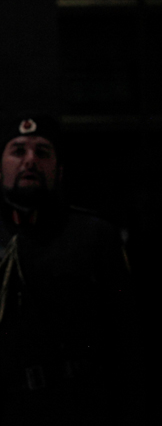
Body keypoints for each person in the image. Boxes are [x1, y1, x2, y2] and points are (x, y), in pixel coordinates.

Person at [0, 112, 131, 425]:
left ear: (59, 169)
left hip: (76, 406)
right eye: (18, 151)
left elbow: (127, 335)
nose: (29, 161)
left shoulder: (94, 235)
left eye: (42, 152)